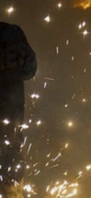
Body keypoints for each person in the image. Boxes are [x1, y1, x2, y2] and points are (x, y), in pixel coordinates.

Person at [0, 22, 37, 198]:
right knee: (11, 150)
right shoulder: (13, 32)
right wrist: (10, 77)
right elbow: (30, 69)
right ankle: (12, 193)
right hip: (11, 106)